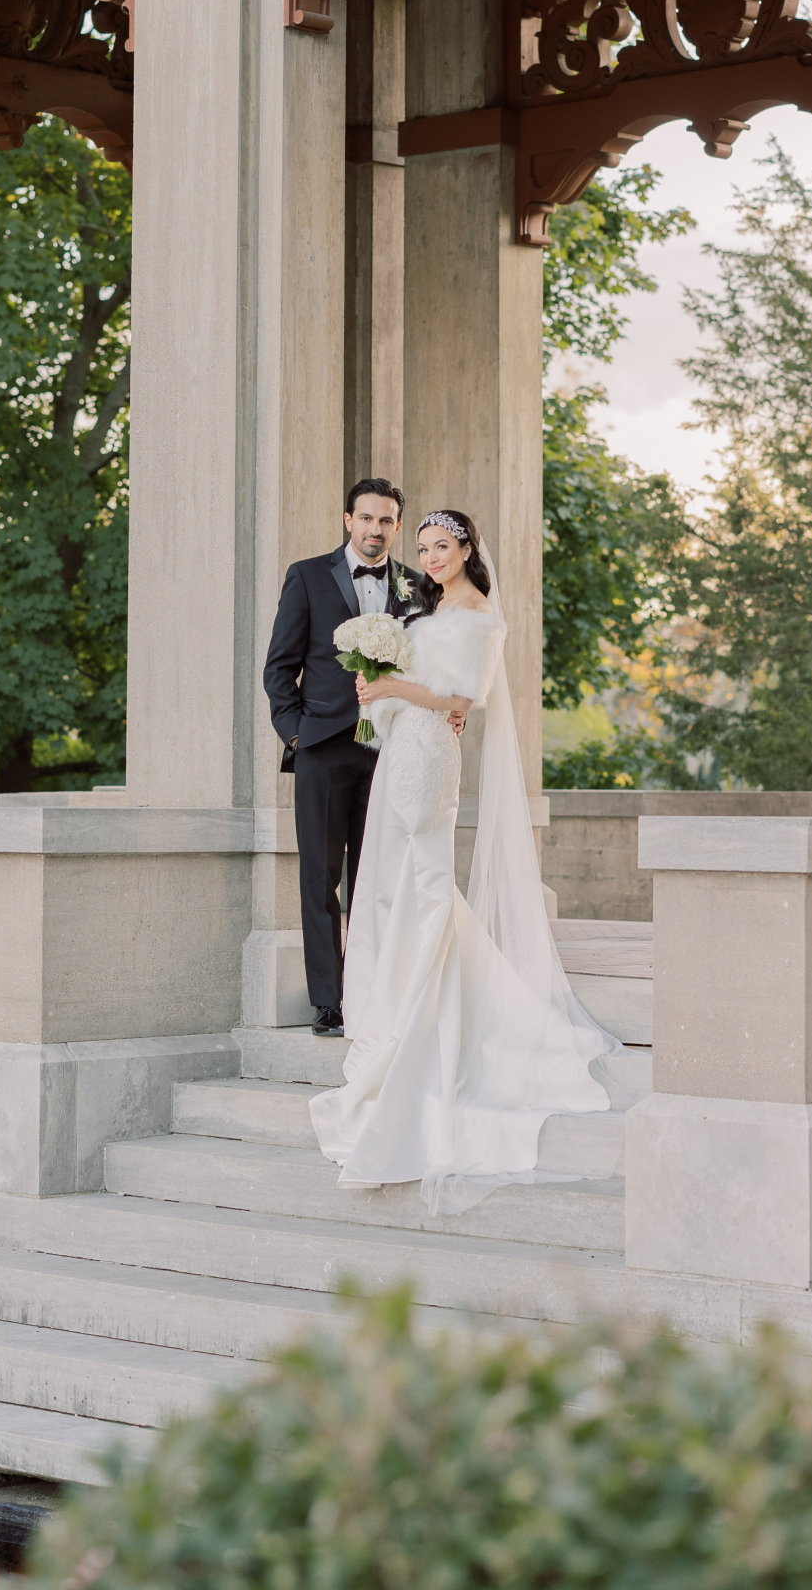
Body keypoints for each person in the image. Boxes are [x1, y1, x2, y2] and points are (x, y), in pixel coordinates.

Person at [309, 506, 618, 1212]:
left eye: (441, 546)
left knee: (422, 880)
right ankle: (396, 996)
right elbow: (425, 689)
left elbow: (461, 696)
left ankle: (429, 1009)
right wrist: (376, 690)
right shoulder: (428, 608)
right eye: (423, 548)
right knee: (388, 883)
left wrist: (392, 688)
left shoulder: (478, 614)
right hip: (401, 750)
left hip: (428, 763)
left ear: (467, 548)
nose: (431, 557)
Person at [262, 479, 438, 1036]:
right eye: (366, 518)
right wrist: (296, 735)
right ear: (348, 520)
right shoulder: (308, 576)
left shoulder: (417, 586)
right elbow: (279, 667)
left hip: (391, 751)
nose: (374, 530)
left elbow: (431, 664)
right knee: (319, 877)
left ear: (397, 526)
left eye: (385, 521)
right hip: (322, 748)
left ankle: (371, 991)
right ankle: (328, 1000)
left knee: (377, 875)